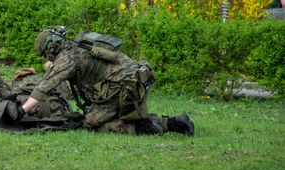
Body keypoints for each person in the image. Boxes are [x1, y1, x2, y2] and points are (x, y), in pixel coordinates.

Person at [13, 27, 195, 136]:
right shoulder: (80, 46)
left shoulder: (68, 58)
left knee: (90, 122)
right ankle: (172, 123)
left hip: (122, 88)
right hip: (138, 80)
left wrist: (22, 110)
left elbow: (44, 87)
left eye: (46, 54)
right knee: (109, 115)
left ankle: (140, 128)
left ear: (52, 47)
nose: (47, 58)